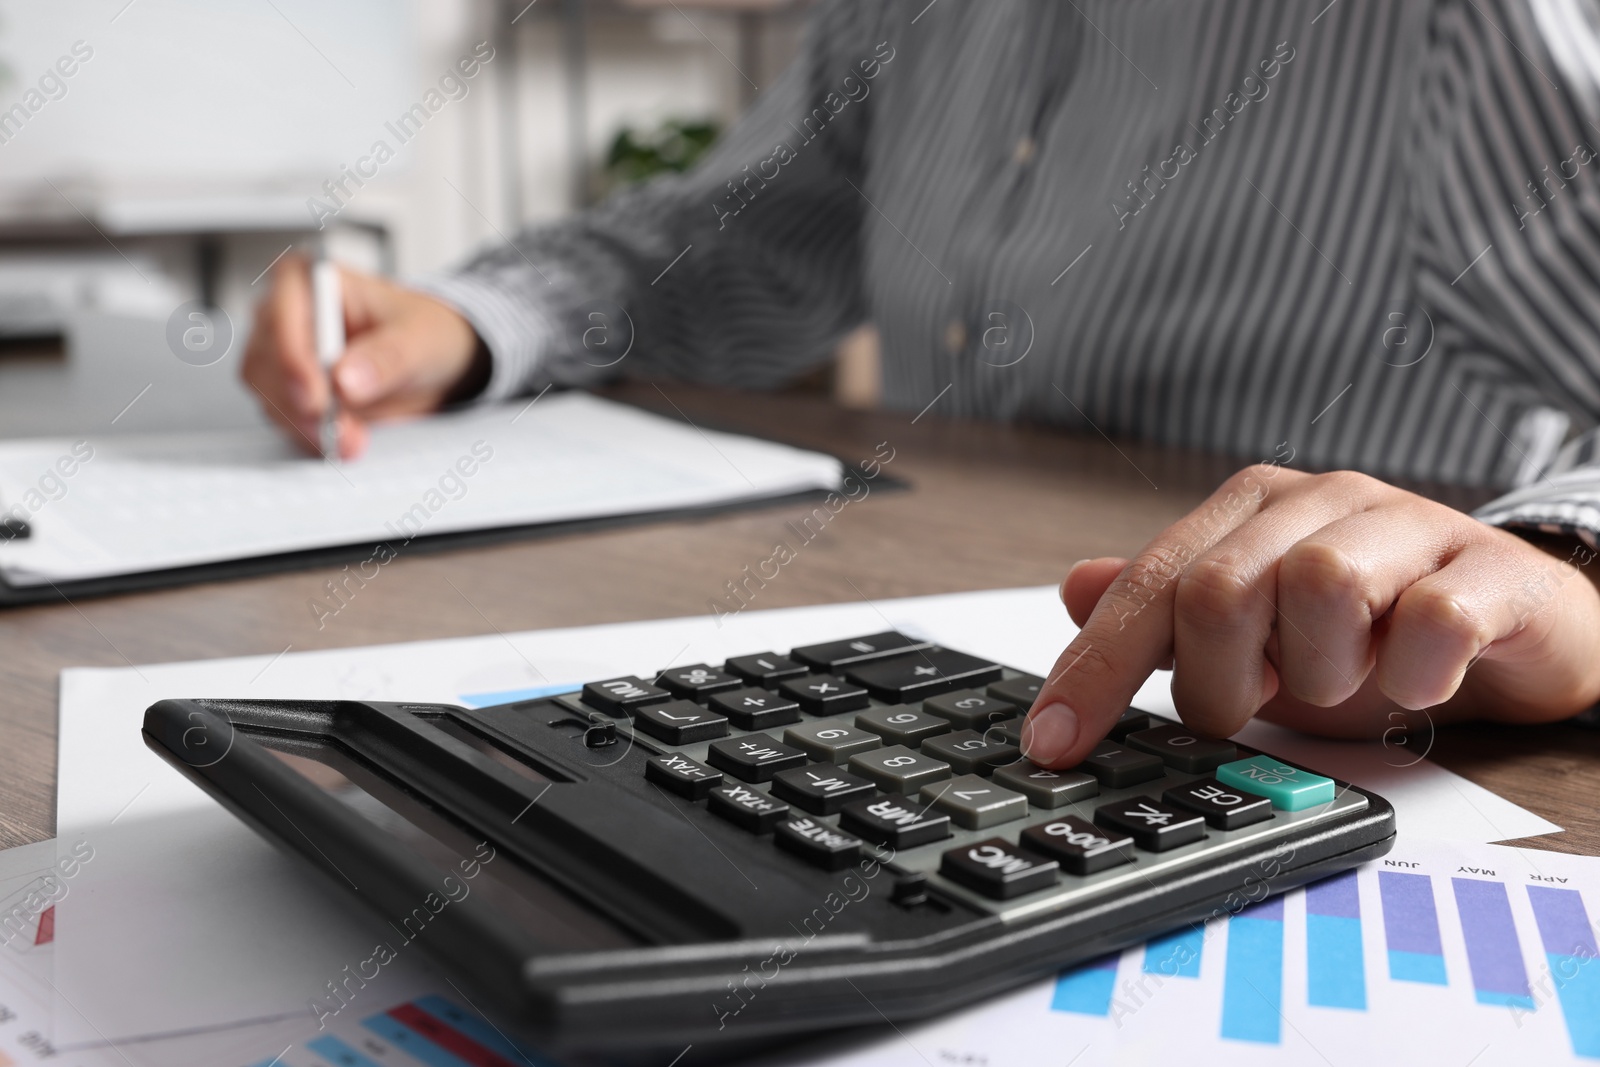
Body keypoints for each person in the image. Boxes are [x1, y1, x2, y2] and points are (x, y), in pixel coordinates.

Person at [243, 0, 1600, 769]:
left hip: (1347, 729)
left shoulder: (1455, 29)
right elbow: (743, 239)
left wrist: (1557, 568)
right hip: (945, 656)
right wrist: (471, 322)